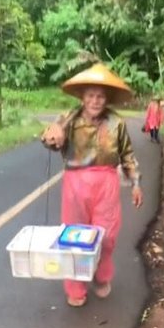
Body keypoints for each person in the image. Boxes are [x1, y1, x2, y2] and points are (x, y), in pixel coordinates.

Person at [41, 63, 143, 308]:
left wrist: (136, 183)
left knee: (106, 236)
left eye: (100, 96)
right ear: (83, 97)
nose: (96, 101)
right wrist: (50, 138)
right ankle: (75, 288)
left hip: (106, 184)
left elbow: (127, 154)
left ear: (105, 99)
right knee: (74, 236)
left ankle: (101, 275)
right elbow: (51, 141)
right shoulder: (69, 119)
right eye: (91, 96)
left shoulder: (116, 122)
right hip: (75, 184)